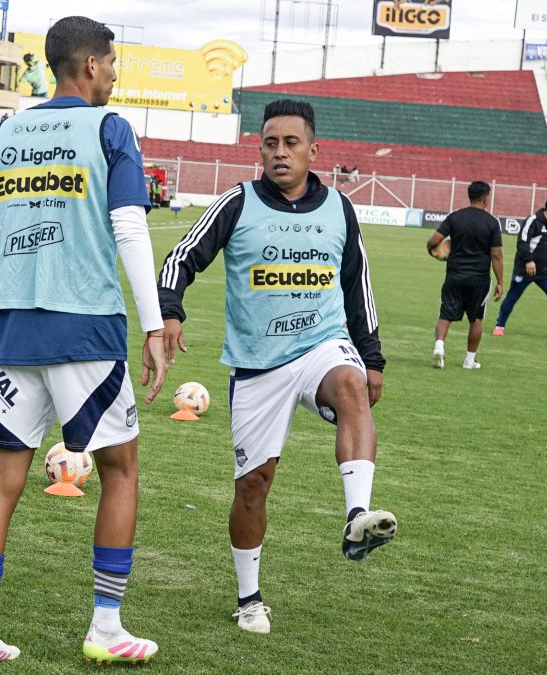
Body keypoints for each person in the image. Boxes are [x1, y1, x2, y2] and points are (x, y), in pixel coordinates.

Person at [0, 15, 167, 667]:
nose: (115, 75)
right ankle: (106, 627)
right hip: (87, 330)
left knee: (0, 484)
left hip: (13, 332)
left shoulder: (7, 130)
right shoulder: (110, 128)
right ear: (91, 64)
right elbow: (129, 228)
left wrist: (15, 282)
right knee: (120, 470)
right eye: (113, 63)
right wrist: (154, 324)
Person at [158, 99, 395, 635]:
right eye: (270, 143)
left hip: (322, 344)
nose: (280, 152)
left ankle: (357, 516)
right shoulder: (237, 202)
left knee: (351, 385)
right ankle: (249, 599)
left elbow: (357, 283)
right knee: (253, 486)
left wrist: (372, 358)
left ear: (314, 150)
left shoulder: (339, 207)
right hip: (258, 365)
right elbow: (181, 258)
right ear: (260, 150)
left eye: (291, 143)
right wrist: (170, 311)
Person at [427, 181, 504, 369]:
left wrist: (434, 251)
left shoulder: (455, 217)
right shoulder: (492, 222)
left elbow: (433, 241)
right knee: (476, 318)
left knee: (446, 314)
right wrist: (500, 281)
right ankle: (469, 361)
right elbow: (496, 255)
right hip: (479, 279)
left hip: (454, 275)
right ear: (485, 199)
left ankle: (439, 347)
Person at [493, 196, 547, 336]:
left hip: (544, 270)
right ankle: (500, 325)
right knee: (512, 297)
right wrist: (528, 261)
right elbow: (522, 242)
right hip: (524, 269)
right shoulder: (533, 220)